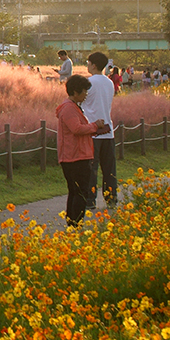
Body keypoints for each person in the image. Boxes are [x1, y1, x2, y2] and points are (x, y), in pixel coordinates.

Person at [56, 75, 107, 227]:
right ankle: (75, 224)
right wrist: (95, 126)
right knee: (80, 192)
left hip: (74, 155)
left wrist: (93, 129)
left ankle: (73, 223)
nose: (86, 95)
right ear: (75, 92)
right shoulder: (69, 109)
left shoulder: (72, 107)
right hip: (75, 156)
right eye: (84, 91)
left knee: (75, 192)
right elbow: (76, 129)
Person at [82, 52, 116, 208]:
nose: (87, 65)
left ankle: (90, 200)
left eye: (88, 62)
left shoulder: (88, 83)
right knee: (109, 169)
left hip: (92, 130)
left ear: (93, 65)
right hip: (108, 131)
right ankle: (111, 198)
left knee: (91, 170)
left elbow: (81, 104)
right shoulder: (109, 83)